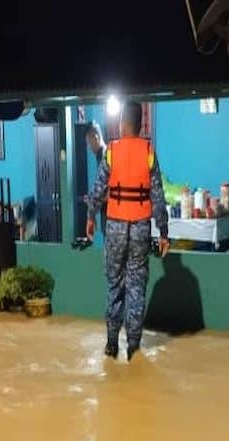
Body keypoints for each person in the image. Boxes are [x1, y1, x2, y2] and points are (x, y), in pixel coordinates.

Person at [86, 101, 170, 361]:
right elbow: (157, 194)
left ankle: (112, 345)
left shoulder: (111, 151)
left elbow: (99, 189)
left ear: (123, 122)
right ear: (142, 123)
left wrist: (90, 216)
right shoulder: (148, 151)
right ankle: (133, 347)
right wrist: (164, 231)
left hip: (115, 228)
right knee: (136, 286)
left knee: (115, 284)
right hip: (141, 229)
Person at [83, 121, 107, 238]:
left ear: (96, 137)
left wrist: (91, 216)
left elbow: (100, 192)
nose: (88, 147)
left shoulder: (104, 157)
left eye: (89, 143)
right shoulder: (102, 156)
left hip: (111, 221)